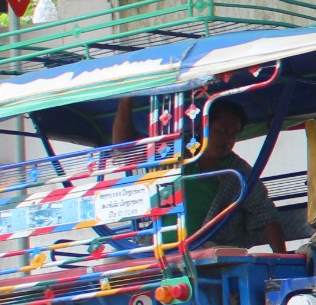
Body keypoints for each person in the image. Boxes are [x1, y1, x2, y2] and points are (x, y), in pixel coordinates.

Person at [114, 96, 287, 252]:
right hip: (156, 247)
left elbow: (265, 214)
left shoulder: (239, 170)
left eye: (233, 135)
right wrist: (126, 100)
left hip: (206, 248)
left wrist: (282, 257)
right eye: (221, 131)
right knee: (113, 263)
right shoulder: (173, 153)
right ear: (202, 128)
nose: (227, 140)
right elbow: (124, 149)